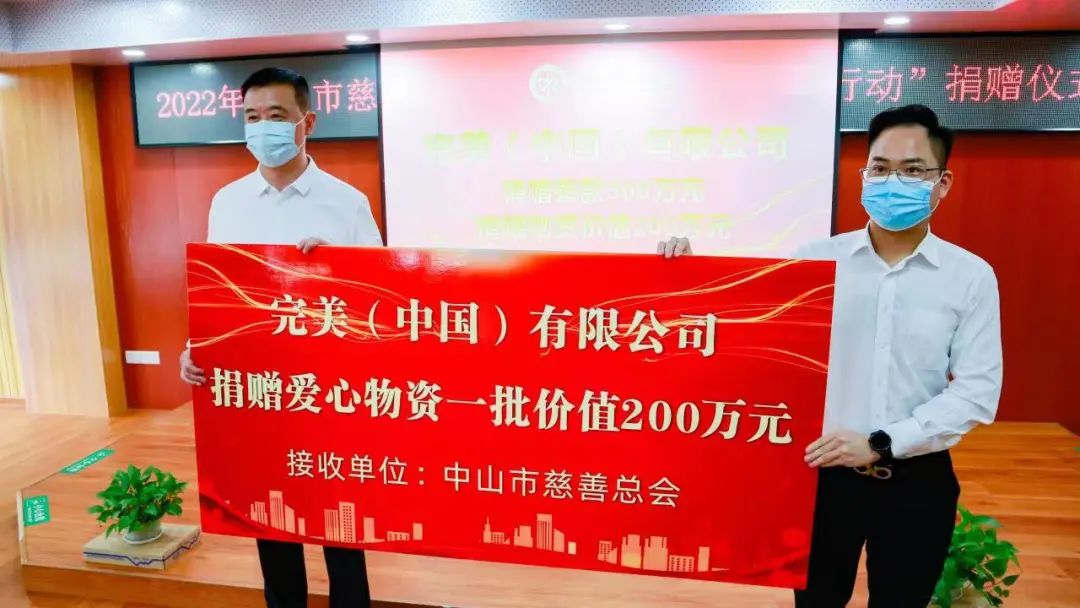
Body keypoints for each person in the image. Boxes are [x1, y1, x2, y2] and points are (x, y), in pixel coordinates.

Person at [179, 67, 382, 608]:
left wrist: (338, 268)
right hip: (259, 392)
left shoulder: (346, 202)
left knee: (341, 525)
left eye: (276, 115)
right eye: (252, 116)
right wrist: (196, 349)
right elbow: (218, 293)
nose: (262, 127)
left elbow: (379, 300)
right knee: (273, 522)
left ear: (306, 123)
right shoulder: (227, 201)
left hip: (330, 392)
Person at [793, 105, 1002, 607]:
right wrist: (680, 268)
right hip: (821, 478)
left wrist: (883, 443)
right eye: (880, 168)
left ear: (942, 182)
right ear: (864, 176)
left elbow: (977, 390)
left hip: (917, 481)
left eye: (912, 171)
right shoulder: (813, 262)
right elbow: (737, 323)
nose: (892, 182)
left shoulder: (970, 276)